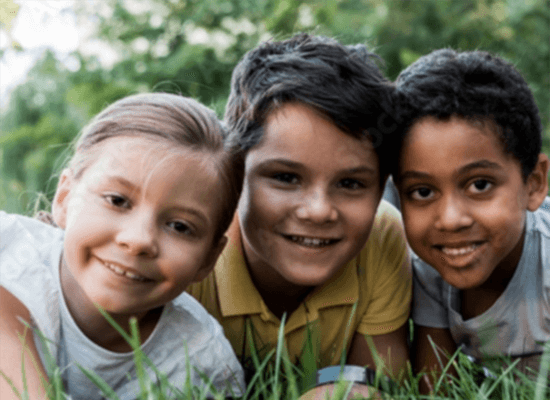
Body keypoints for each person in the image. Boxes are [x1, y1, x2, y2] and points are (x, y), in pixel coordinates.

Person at [188, 33, 412, 389]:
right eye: (286, 177)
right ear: (233, 171)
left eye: (351, 184)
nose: (319, 211)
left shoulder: (383, 234)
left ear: (381, 184)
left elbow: (377, 382)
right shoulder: (189, 243)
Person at [0, 93, 245, 400]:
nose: (139, 239)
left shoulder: (200, 364)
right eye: (117, 201)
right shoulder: (8, 248)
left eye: (180, 226)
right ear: (64, 198)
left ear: (209, 258)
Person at [392, 48, 550, 388]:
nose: (450, 220)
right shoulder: (429, 271)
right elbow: (435, 387)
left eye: (480, 185)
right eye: (422, 192)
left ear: (534, 183)